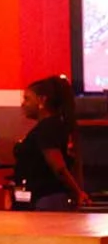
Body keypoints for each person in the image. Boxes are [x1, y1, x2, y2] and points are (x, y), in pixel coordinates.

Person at [15, 75, 88, 210]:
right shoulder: (56, 125)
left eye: (27, 99)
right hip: (48, 198)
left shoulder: (47, 127)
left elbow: (59, 167)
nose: (23, 104)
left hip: (46, 201)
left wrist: (77, 192)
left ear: (42, 100)